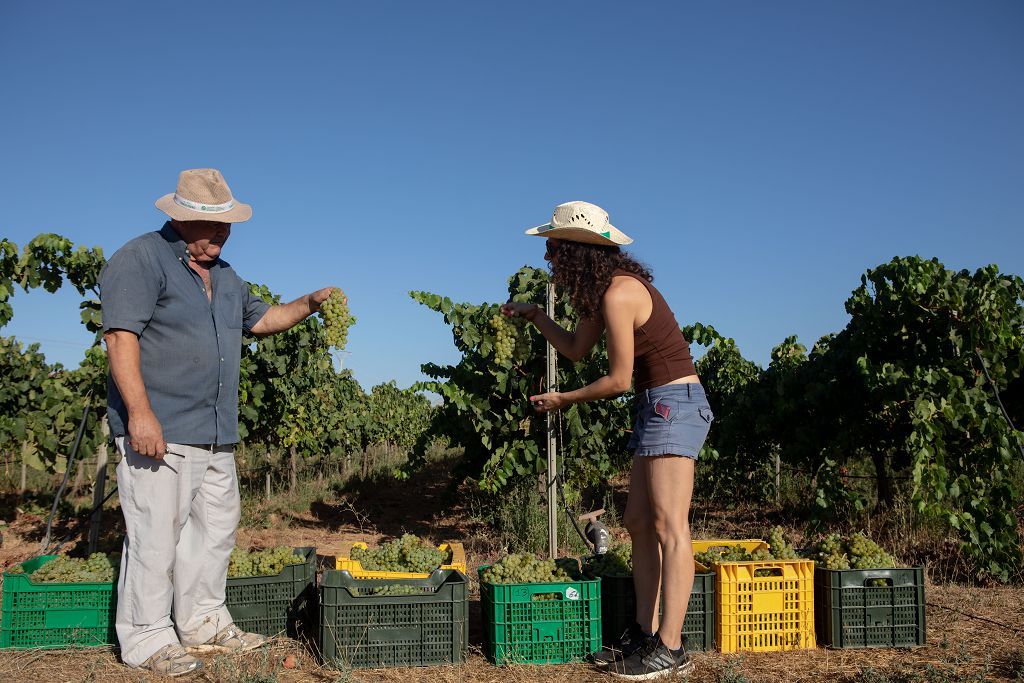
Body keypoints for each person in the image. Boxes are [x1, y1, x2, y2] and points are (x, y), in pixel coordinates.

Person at [100, 168, 340, 676]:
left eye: (227, 224)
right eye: (213, 225)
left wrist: (307, 304)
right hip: (159, 428)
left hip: (215, 432)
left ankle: (204, 623)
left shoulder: (227, 277)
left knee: (214, 533)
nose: (222, 233)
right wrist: (140, 415)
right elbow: (121, 339)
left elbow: (262, 320)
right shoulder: (140, 259)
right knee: (155, 535)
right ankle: (145, 638)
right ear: (182, 218)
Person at [501, 201, 712, 681]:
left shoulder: (620, 294)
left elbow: (619, 379)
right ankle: (643, 631)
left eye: (554, 247)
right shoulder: (603, 295)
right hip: (655, 405)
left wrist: (564, 399)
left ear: (577, 252)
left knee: (669, 527)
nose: (549, 255)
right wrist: (536, 316)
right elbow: (576, 350)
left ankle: (671, 646)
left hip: (674, 404)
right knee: (638, 521)